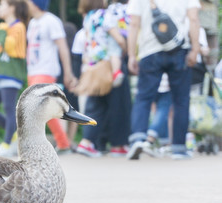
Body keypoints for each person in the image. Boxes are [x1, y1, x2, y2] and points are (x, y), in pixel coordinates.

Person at [126, 0, 201, 160]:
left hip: (149, 50)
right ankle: (179, 149)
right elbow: (193, 19)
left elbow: (133, 24)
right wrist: (195, 49)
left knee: (144, 97)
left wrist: (132, 55)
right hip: (178, 49)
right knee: (181, 100)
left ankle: (138, 140)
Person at [75, 0, 131, 158]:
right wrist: (126, 50)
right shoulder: (104, 15)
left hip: (94, 66)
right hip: (110, 65)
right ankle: (118, 145)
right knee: (119, 104)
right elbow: (118, 38)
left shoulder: (87, 18)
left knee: (95, 106)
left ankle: (87, 142)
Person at [26, 0, 77, 153]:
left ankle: (60, 143)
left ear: (35, 3)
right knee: (39, 109)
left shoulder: (51, 21)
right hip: (33, 71)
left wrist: (67, 72)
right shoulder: (32, 23)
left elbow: (63, 47)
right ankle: (62, 143)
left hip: (46, 71)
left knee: (36, 106)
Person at [0, 0, 28, 157]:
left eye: (2, 5)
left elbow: (12, 49)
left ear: (12, 8)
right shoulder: (1, 27)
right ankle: (15, 133)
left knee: (9, 109)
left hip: (10, 74)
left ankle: (7, 143)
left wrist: (3, 32)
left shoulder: (18, 27)